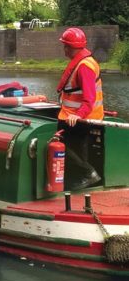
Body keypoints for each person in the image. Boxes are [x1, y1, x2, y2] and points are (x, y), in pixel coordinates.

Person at [57, 27, 103, 190]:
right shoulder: (84, 62)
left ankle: (89, 173)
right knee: (79, 149)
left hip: (80, 117)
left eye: (65, 46)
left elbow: (89, 99)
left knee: (57, 143)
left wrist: (78, 115)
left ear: (71, 47)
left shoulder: (84, 66)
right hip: (77, 116)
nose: (64, 49)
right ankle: (83, 181)